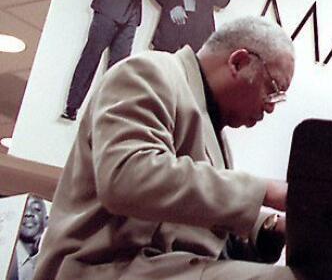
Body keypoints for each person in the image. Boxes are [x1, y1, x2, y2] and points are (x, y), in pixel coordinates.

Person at [34, 16, 297, 280]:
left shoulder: (211, 126)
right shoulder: (147, 72)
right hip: (106, 267)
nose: (270, 106)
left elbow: (199, 220)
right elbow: (128, 177)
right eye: (272, 89)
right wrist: (264, 191)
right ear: (238, 62)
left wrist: (271, 227)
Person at [62, 0, 178, 121]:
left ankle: (106, 114)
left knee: (119, 68)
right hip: (110, 9)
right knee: (91, 56)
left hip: (129, 16)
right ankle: (72, 106)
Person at [7, 196, 47, 280]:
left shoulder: (51, 262)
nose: (28, 213)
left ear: (46, 221)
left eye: (36, 209)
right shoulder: (5, 258)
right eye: (23, 208)